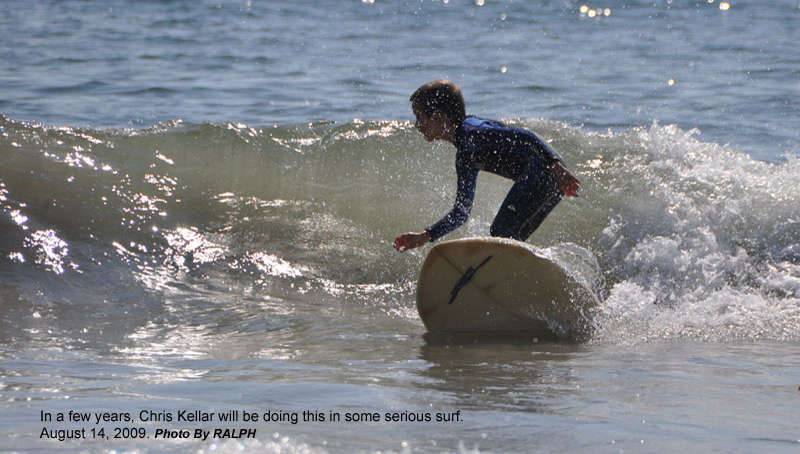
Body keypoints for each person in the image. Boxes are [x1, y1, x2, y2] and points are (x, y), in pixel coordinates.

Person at [393, 79, 581, 253]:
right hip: (549, 174)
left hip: (546, 170)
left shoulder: (473, 133)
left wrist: (556, 167)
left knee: (501, 230)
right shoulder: (465, 156)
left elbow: (525, 136)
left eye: (420, 118)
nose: (417, 125)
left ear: (438, 116)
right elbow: (461, 212)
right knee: (512, 240)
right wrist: (425, 236)